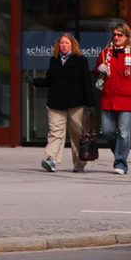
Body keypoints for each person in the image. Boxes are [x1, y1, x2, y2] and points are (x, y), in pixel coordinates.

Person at [23, 33, 95, 173]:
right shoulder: (54, 60)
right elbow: (49, 81)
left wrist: (90, 104)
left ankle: (79, 163)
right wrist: (33, 81)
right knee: (55, 133)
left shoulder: (80, 61)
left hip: (76, 104)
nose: (64, 45)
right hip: (56, 103)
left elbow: (87, 83)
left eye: (67, 43)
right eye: (61, 43)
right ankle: (51, 159)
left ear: (72, 45)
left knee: (77, 134)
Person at [94, 23, 131, 175]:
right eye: (115, 34)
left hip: (126, 100)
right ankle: (120, 153)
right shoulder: (106, 53)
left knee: (124, 133)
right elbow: (97, 71)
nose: (116, 37)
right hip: (108, 99)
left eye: (120, 35)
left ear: (126, 37)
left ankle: (120, 163)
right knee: (106, 130)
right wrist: (99, 69)